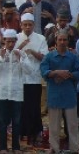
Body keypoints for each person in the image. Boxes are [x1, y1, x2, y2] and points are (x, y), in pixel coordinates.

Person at [40, 30, 79, 154]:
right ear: (56, 40)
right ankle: (54, 147)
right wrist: (56, 73)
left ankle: (75, 147)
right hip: (54, 94)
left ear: (68, 41)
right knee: (54, 124)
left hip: (69, 94)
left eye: (65, 40)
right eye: (60, 39)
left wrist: (68, 75)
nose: (62, 42)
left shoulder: (73, 57)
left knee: (73, 124)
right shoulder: (49, 56)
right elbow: (43, 71)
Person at [0, 29, 31, 154]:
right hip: (1, 92)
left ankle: (16, 147)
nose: (11, 44)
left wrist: (20, 60)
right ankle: (3, 147)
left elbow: (29, 71)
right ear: (4, 41)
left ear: (15, 41)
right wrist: (2, 59)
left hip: (16, 92)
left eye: (13, 42)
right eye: (8, 41)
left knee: (16, 121)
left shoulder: (21, 54)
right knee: (2, 121)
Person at [15, 13, 48, 146]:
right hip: (19, 78)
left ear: (34, 25)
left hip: (34, 78)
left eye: (30, 25)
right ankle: (23, 132)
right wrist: (21, 46)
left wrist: (32, 52)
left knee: (34, 107)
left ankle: (35, 132)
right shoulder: (16, 37)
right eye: (25, 25)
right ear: (21, 25)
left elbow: (44, 57)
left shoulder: (40, 38)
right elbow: (11, 54)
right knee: (21, 107)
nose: (27, 27)